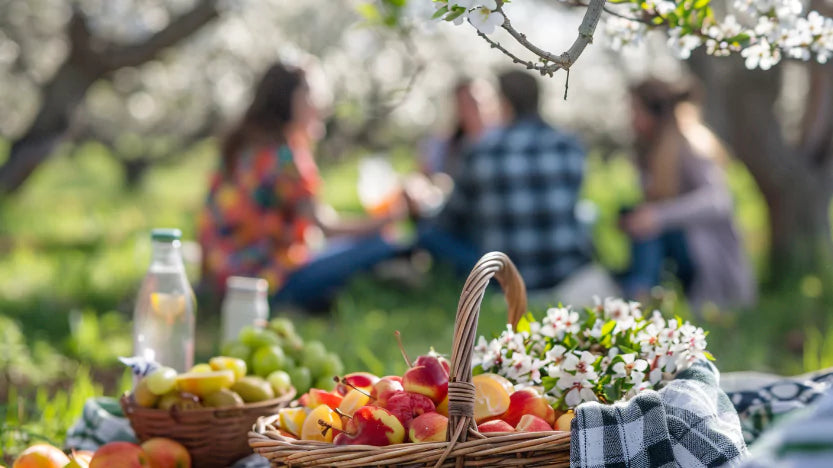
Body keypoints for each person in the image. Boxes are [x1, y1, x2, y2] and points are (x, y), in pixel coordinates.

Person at [199, 62, 404, 311]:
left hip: (220, 280)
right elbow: (326, 226)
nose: (323, 106)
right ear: (292, 99)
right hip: (265, 284)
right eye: (315, 95)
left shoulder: (241, 144)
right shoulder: (285, 156)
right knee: (383, 242)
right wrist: (387, 220)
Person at [416, 70, 595, 294]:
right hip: (563, 271)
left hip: (503, 277)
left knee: (428, 234)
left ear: (504, 102)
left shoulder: (482, 150)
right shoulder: (570, 145)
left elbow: (452, 218)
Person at [620, 77, 756, 312]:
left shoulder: (692, 144)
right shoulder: (648, 150)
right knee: (638, 220)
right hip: (680, 248)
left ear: (654, 113)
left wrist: (658, 216)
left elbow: (718, 201)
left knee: (650, 230)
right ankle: (639, 298)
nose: (630, 118)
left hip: (708, 254)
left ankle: (637, 301)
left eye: (635, 110)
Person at [419, 78, 496, 178]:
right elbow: (427, 173)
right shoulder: (444, 145)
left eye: (473, 102)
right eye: (463, 104)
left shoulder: (500, 141)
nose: (469, 110)